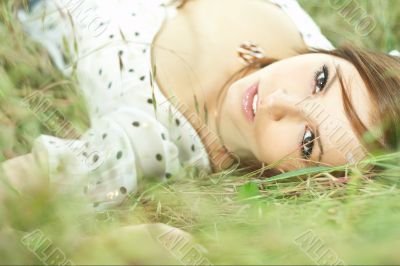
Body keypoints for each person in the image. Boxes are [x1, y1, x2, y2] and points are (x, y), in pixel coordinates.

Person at [1, 0, 400, 212]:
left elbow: (39, 180)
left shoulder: (151, 137)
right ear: (341, 55)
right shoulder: (300, 37)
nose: (277, 100)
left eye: (308, 141)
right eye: (320, 80)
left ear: (312, 183)